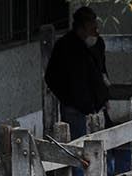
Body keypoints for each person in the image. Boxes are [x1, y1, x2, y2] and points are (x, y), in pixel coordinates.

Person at [44, 6, 110, 140]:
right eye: (91, 28)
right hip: (74, 108)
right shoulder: (64, 46)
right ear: (81, 27)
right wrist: (67, 98)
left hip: (96, 106)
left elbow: (102, 70)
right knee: (78, 147)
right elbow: (51, 76)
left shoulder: (98, 44)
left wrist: (105, 96)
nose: (95, 32)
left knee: (101, 146)